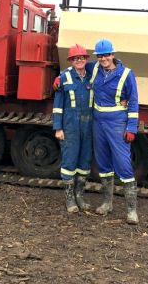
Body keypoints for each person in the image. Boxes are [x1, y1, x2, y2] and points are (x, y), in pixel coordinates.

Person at [87, 38, 139, 225]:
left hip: (117, 122)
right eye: (100, 56)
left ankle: (132, 211)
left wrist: (132, 127)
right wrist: (60, 77)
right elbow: (77, 68)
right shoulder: (94, 68)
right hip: (98, 122)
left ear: (113, 55)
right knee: (103, 163)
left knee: (123, 163)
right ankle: (107, 203)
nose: (103, 59)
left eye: (106, 55)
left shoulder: (126, 74)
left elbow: (133, 101)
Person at [52, 44, 93, 213]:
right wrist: (58, 128)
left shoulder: (92, 76)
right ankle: (70, 199)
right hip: (70, 126)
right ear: (71, 60)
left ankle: (80, 196)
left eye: (82, 58)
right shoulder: (64, 78)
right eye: (76, 58)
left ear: (86, 59)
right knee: (69, 161)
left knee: (84, 162)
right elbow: (58, 106)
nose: (79, 60)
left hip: (88, 126)